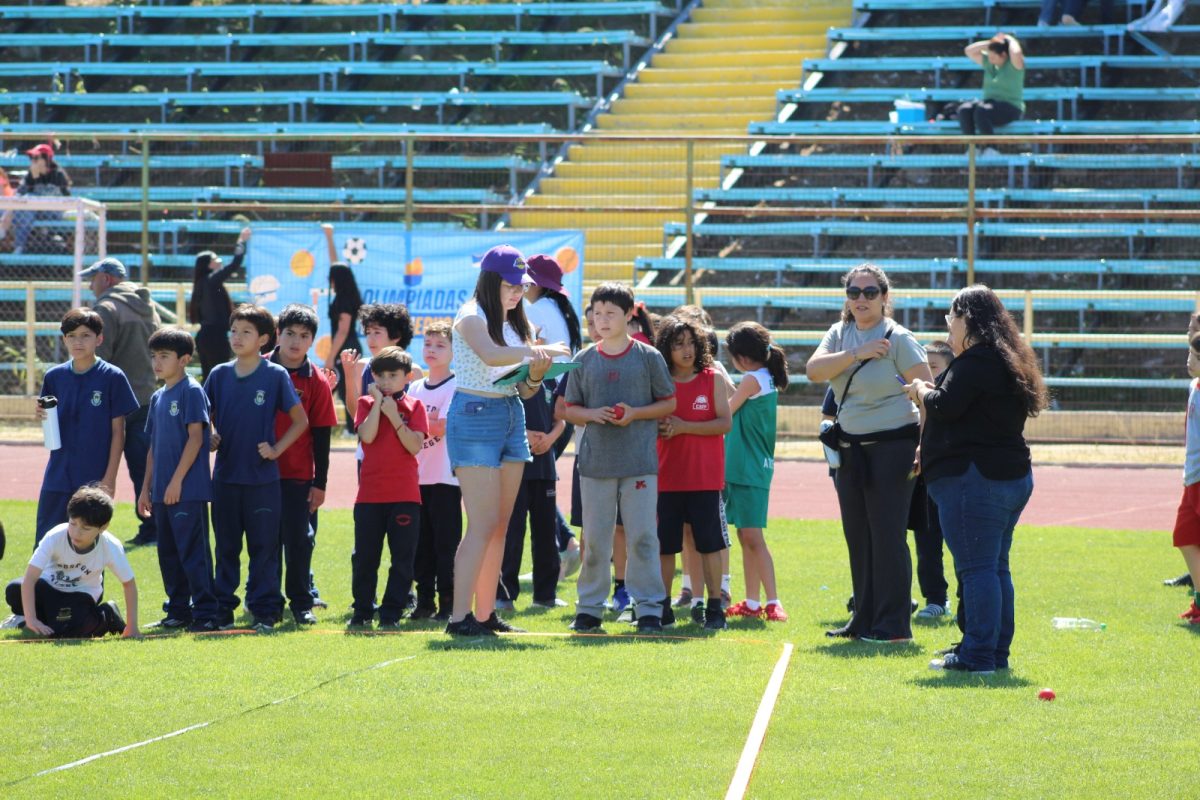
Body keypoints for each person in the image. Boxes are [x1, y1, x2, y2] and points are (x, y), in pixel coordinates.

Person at [904, 285, 1047, 673]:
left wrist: (921, 390)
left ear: (968, 319)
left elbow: (946, 406)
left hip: (975, 479)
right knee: (994, 566)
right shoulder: (1004, 359)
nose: (948, 328)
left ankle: (980, 654)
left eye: (952, 319)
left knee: (978, 569)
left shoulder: (977, 361)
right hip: (1005, 476)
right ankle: (991, 651)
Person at [444, 245, 568, 637]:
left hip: (512, 414)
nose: (518, 292)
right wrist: (539, 351)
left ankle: (485, 615)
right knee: (480, 524)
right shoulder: (470, 315)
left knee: (499, 524)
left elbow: (529, 390)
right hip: (475, 416)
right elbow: (491, 355)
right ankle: (458, 618)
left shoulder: (519, 323)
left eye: (522, 285)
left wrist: (537, 371)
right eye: (512, 284)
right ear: (492, 280)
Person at [807, 264, 932, 642]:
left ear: (884, 297)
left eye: (870, 292)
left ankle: (894, 627)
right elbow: (814, 370)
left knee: (887, 535)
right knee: (858, 535)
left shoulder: (899, 338)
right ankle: (863, 619)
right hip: (850, 449)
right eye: (854, 291)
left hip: (894, 447)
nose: (861, 298)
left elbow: (928, 394)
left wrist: (925, 445)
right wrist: (857, 353)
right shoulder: (839, 333)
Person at [564, 282, 676, 634]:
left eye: (611, 313)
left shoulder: (649, 357)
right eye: (597, 313)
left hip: (639, 463)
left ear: (629, 315)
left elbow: (668, 403)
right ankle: (589, 611)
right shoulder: (583, 359)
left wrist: (636, 413)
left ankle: (648, 611)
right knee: (595, 540)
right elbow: (569, 409)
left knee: (643, 537)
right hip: (595, 465)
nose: (603, 320)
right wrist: (592, 413)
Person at [204, 305, 308, 631]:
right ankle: (222, 610)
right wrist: (210, 433)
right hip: (225, 478)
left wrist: (276, 448)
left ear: (264, 339)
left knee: (264, 549)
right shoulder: (219, 374)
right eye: (234, 330)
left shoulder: (274, 375)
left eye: (246, 332)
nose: (237, 337)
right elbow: (202, 413)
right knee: (226, 548)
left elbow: (300, 421)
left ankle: (265, 610)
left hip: (263, 480)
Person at [136, 327, 220, 633]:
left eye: (165, 356)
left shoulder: (191, 391)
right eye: (154, 356)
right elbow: (153, 449)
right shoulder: (158, 396)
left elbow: (196, 439)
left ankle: (207, 613)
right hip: (161, 492)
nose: (157, 362)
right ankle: (178, 610)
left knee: (193, 553)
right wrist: (146, 488)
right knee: (168, 554)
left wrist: (175, 482)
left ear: (184, 360)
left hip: (187, 490)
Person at [34, 308, 138, 545]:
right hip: (58, 474)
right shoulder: (54, 377)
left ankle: (91, 585)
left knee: (88, 544)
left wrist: (109, 478)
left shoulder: (112, 377)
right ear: (64, 339)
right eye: (71, 336)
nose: (77, 341)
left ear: (99, 339)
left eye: (85, 335)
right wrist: (41, 415)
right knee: (47, 542)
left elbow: (118, 432)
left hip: (93, 478)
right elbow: (50, 424)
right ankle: (41, 584)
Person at [655, 315, 731, 630]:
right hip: (666, 477)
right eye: (678, 344)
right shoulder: (658, 381)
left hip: (704, 478)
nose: (686, 350)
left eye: (690, 343)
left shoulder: (711, 378)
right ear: (666, 349)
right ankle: (661, 608)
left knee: (709, 544)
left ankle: (715, 607)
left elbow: (725, 423)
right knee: (665, 546)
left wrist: (684, 426)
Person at [83, 256, 162, 546]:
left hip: (113, 401)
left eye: (93, 278)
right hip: (145, 396)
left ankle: (88, 523)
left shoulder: (105, 307)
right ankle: (155, 524)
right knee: (144, 466)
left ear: (106, 278)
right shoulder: (147, 307)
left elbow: (97, 357)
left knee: (97, 465)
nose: (91, 285)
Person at [269, 304, 338, 626]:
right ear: (277, 335)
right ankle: (265, 600)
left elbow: (322, 434)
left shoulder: (317, 381)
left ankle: (301, 602)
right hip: (258, 476)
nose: (296, 342)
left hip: (298, 476)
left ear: (312, 341)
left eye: (304, 336)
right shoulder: (258, 369)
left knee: (299, 541)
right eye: (290, 334)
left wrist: (319, 483)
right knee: (264, 541)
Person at [350, 347, 428, 629]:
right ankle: (361, 611)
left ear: (406, 378)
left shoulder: (415, 407)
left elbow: (415, 445)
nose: (385, 381)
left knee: (402, 559)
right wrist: (378, 406)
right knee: (364, 558)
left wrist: (395, 415)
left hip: (405, 496)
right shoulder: (365, 403)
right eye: (380, 375)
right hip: (370, 496)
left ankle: (391, 612)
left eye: (392, 375)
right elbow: (367, 437)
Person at [3, 486, 138, 638]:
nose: (76, 533)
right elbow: (30, 579)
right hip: (50, 588)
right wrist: (31, 619)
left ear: (103, 527)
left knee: (66, 632)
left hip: (81, 594)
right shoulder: (55, 536)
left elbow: (128, 583)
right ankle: (37, 619)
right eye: (73, 523)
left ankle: (107, 615)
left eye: (85, 528)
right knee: (14, 590)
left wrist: (132, 627)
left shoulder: (110, 545)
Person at [723, 322, 791, 623]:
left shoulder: (752, 379)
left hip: (749, 469)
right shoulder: (761, 377)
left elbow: (726, 411)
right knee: (745, 536)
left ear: (741, 357)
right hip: (742, 468)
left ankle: (773, 601)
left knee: (753, 537)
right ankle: (752, 602)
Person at [523, 254, 584, 583]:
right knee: (537, 484)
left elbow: (530, 355)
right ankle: (561, 547)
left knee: (531, 487)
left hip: (545, 406)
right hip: (559, 405)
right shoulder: (558, 309)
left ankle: (563, 545)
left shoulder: (537, 310)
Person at [497, 363, 565, 612]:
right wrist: (523, 434)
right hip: (515, 468)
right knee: (512, 533)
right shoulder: (510, 378)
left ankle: (546, 595)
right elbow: (500, 418)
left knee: (547, 534)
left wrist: (549, 438)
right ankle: (504, 595)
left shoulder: (549, 380)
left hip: (545, 468)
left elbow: (560, 420)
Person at [408, 321, 461, 621]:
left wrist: (407, 424)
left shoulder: (455, 385)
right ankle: (424, 601)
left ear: (454, 352)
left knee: (446, 545)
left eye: (440, 345)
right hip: (416, 479)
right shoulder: (415, 387)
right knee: (420, 545)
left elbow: (441, 425)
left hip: (445, 479)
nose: (432, 350)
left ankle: (449, 603)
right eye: (428, 344)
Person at [910, 340, 954, 620]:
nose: (927, 375)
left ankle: (967, 601)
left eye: (934, 368)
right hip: (922, 481)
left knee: (964, 546)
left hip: (951, 478)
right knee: (926, 545)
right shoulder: (912, 397)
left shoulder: (955, 399)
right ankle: (936, 599)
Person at [1169, 316, 1200, 626]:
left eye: (1194, 355)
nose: (1188, 360)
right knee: (1185, 536)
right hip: (1192, 478)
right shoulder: (1194, 385)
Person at [190, 227, 251, 381]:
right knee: (220, 379)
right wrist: (241, 242)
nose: (220, 261)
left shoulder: (202, 283)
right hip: (215, 337)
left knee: (209, 379)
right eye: (216, 259)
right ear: (209, 265)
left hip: (204, 336)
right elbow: (234, 264)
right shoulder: (211, 280)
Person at [0, 143, 71, 255]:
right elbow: (19, 194)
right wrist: (32, 178)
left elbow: (50, 200)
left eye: (36, 158)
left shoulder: (58, 175)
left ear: (46, 160)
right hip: (31, 212)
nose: (33, 161)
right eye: (32, 158)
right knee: (17, 207)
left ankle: (16, 242)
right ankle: (16, 243)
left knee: (28, 201)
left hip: (53, 212)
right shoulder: (31, 174)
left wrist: (36, 178)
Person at [958, 34, 1025, 138]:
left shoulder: (1015, 65)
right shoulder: (990, 64)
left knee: (982, 111)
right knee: (965, 110)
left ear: (1003, 54)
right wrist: (992, 44)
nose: (990, 59)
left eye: (993, 56)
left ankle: (991, 149)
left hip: (1011, 108)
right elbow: (969, 50)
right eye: (989, 56)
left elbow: (1016, 52)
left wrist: (1010, 39)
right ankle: (971, 148)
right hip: (989, 105)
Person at [327, 263, 364, 432]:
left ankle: (353, 428)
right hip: (347, 348)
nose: (329, 281)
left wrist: (330, 356)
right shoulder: (344, 297)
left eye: (332, 278)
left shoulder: (343, 300)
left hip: (347, 348)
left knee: (346, 390)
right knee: (339, 390)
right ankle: (351, 428)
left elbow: (343, 331)